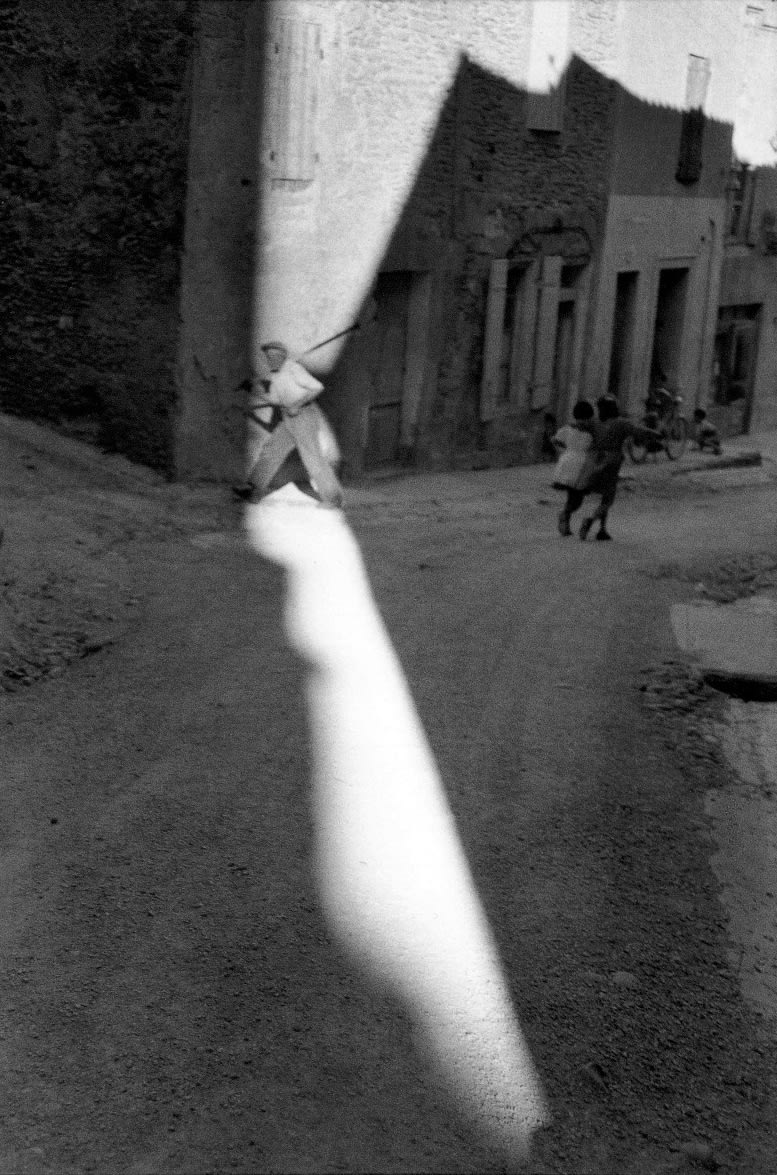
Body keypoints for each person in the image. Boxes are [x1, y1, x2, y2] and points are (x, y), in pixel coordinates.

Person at [578, 395, 660, 542]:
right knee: (608, 499)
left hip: (595, 461)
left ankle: (602, 530)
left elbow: (579, 427)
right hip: (612, 462)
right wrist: (654, 433)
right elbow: (639, 431)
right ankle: (590, 521)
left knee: (604, 497)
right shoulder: (621, 423)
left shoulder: (594, 423)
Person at [552, 400, 595, 537]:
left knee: (572, 496)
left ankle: (566, 524)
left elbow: (555, 440)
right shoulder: (591, 432)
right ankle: (565, 514)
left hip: (567, 463)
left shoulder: (568, 429)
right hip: (580, 466)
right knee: (577, 499)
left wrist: (566, 451)